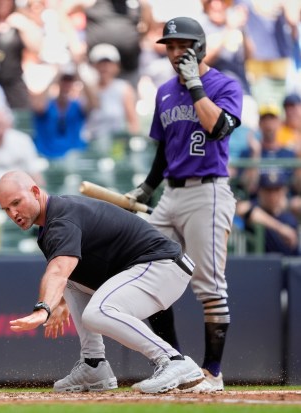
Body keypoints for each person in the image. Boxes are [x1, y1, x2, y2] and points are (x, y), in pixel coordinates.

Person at [0, 170, 204, 394]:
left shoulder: (61, 219)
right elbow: (70, 272)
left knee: (97, 312)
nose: (13, 213)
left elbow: (57, 272)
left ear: (35, 191)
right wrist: (63, 302)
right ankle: (93, 365)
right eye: (6, 209)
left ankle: (173, 360)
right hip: (148, 269)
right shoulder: (55, 219)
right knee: (72, 285)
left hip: (162, 267)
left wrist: (43, 308)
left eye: (16, 203)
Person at [125, 17, 243, 392]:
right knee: (148, 274)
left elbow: (219, 128)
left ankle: (212, 373)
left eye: (183, 45)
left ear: (201, 46)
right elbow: (166, 148)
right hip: (171, 194)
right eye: (171, 47)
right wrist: (146, 188)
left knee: (209, 285)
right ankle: (177, 364)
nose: (176, 53)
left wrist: (194, 86)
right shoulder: (163, 91)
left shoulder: (224, 84)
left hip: (207, 191)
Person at [29, 64, 95, 160]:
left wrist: (79, 76)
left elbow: (94, 104)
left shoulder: (76, 106)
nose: (66, 84)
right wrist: (55, 78)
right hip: (46, 156)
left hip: (72, 158)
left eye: (69, 81)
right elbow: (37, 106)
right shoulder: (48, 105)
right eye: (64, 80)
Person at [237, 171, 299, 256]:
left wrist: (289, 204)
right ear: (260, 191)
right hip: (260, 265)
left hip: (290, 265)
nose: (272, 196)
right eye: (268, 190)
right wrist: (280, 229)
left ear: (284, 191)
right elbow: (242, 209)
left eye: (277, 190)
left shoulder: (289, 213)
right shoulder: (255, 207)